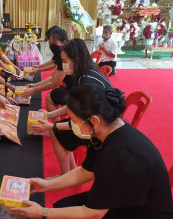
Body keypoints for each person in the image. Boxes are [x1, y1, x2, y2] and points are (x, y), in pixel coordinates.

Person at [12, 84, 173, 219]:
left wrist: (42, 213)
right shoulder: (104, 133)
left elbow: (92, 214)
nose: (72, 125)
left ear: (94, 120)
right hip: (128, 202)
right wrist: (47, 185)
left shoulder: (119, 154)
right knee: (62, 209)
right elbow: (85, 170)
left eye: (74, 121)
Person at [30, 39, 112, 173]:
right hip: (95, 118)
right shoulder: (86, 73)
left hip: (100, 128)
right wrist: (49, 115)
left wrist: (52, 125)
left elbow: (81, 120)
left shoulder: (87, 82)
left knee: (57, 132)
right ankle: (71, 170)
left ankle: (66, 174)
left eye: (65, 61)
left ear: (77, 59)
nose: (63, 65)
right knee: (58, 129)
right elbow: (74, 107)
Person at [22, 28, 68, 113]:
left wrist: (35, 89)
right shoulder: (62, 52)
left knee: (49, 97)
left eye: (55, 44)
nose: (52, 46)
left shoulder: (65, 56)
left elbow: (55, 83)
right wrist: (36, 85)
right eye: (50, 44)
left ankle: (55, 125)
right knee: (51, 94)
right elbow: (54, 75)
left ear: (63, 42)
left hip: (78, 90)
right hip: (74, 86)